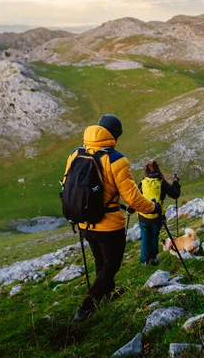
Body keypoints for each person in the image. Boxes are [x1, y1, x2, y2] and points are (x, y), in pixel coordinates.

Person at [63, 114, 161, 321]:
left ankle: (107, 294)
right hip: (108, 225)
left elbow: (67, 185)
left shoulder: (76, 153)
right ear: (115, 136)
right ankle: (88, 305)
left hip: (85, 222)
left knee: (100, 260)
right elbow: (134, 198)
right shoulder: (116, 159)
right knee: (112, 265)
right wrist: (153, 207)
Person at [133, 160, 181, 266]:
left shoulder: (142, 183)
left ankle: (144, 261)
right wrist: (176, 182)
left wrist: (129, 210)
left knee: (145, 237)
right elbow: (175, 194)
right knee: (155, 236)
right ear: (158, 170)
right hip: (157, 216)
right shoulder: (161, 182)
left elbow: (135, 199)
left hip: (143, 216)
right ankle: (154, 258)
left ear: (146, 171)